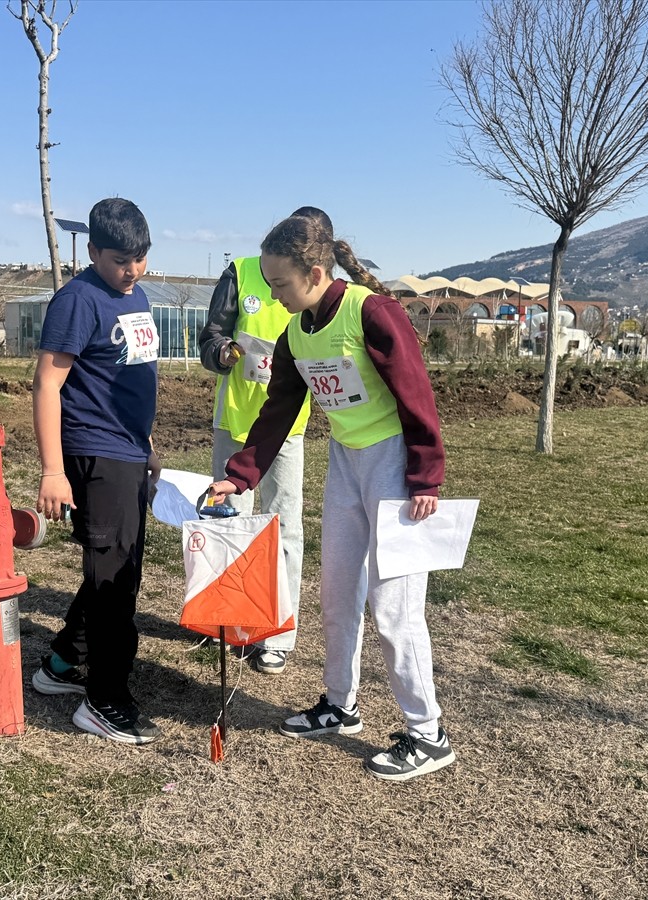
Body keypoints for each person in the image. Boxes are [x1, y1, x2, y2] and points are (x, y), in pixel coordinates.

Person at [207, 216, 454, 781]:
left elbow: (417, 393)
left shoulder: (371, 313)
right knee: (338, 592)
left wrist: (426, 477)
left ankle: (428, 733)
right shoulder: (296, 333)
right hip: (346, 463)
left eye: (280, 285)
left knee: (394, 608)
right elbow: (278, 410)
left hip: (393, 466)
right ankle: (340, 706)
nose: (273, 295)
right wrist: (240, 474)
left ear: (315, 273)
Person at [29, 197, 163, 746]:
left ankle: (62, 664)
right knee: (115, 579)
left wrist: (147, 439)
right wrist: (53, 471)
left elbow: (129, 377)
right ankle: (105, 701)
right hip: (94, 452)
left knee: (115, 566)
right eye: (118, 260)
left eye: (140, 258)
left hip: (129, 450)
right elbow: (46, 385)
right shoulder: (77, 300)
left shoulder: (139, 295)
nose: (131, 270)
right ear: (92, 252)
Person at [197, 207, 331, 675]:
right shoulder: (240, 273)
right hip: (235, 422)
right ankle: (231, 620)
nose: (276, 290)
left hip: (287, 427)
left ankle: (277, 632)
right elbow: (210, 334)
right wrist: (222, 351)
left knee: (284, 528)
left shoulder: (324, 293)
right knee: (231, 523)